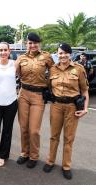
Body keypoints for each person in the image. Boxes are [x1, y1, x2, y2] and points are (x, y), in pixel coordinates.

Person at [43, 43, 89, 180]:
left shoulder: (79, 69)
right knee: (54, 136)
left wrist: (85, 108)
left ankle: (66, 166)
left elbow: (85, 90)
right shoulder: (52, 69)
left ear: (70, 54)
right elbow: (48, 87)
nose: (62, 56)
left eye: (65, 53)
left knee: (69, 138)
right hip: (56, 105)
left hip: (72, 107)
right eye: (60, 53)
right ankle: (50, 161)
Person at [16, 32, 54, 168]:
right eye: (30, 43)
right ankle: (24, 153)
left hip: (38, 96)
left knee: (34, 130)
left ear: (39, 44)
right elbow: (16, 74)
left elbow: (54, 73)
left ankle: (34, 155)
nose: (32, 45)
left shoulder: (47, 57)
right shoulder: (21, 58)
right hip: (24, 94)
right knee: (23, 127)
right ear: (27, 44)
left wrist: (49, 88)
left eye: (35, 43)